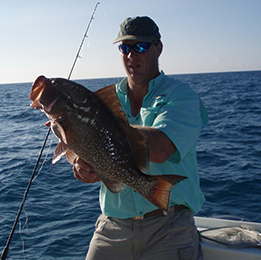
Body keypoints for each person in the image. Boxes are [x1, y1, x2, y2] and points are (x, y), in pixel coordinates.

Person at [73, 16, 208, 260]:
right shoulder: (105, 100)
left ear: (159, 47)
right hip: (112, 227)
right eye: (125, 48)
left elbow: (161, 147)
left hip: (168, 227)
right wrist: (84, 166)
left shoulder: (181, 95)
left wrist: (100, 130)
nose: (131, 55)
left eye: (141, 47)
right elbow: (91, 154)